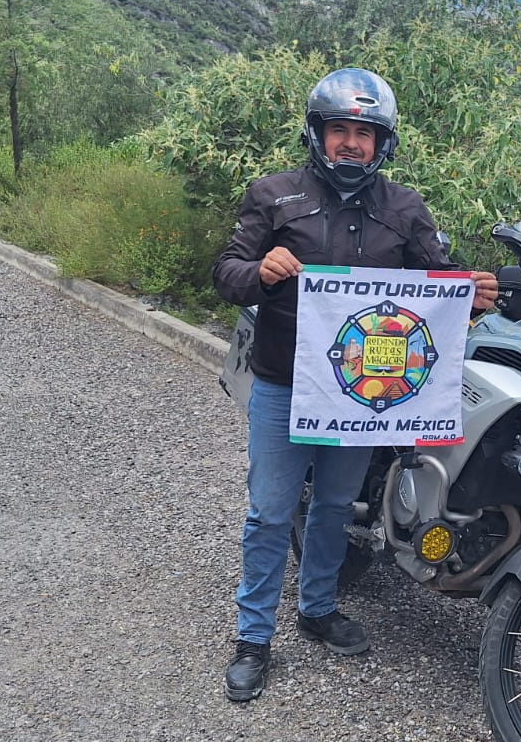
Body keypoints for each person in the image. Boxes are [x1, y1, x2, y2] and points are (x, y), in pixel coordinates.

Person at [211, 67, 498, 702]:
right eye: (339, 129)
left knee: (336, 508)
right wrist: (260, 271)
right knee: (269, 512)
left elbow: (440, 281)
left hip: (363, 394)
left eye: (363, 134)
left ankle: (316, 608)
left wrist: (472, 293)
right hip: (284, 383)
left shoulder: (405, 208)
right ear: (317, 134)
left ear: (381, 143)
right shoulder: (273, 196)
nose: (350, 143)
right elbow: (225, 271)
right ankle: (253, 638)